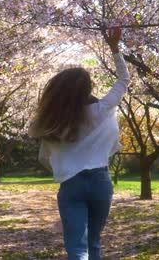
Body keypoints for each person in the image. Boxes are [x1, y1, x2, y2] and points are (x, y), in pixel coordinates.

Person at [28, 27, 130, 260]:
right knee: (93, 242)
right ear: (87, 89)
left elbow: (44, 159)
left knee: (77, 247)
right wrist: (115, 48)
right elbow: (124, 80)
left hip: (71, 184)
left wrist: (66, 167)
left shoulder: (53, 123)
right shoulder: (102, 110)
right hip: (101, 181)